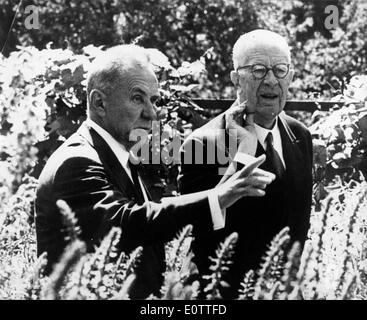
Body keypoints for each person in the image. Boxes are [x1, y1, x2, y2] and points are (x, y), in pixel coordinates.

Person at [34, 44, 275, 299]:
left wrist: (237, 166)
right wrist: (218, 197)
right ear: (99, 103)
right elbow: (128, 224)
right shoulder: (77, 161)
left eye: (155, 100)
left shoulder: (118, 152)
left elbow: (151, 228)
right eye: (138, 98)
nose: (152, 113)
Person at [178, 30, 313, 298]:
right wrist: (239, 163)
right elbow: (199, 229)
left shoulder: (300, 135)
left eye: (280, 70)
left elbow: (299, 223)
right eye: (259, 70)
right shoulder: (203, 144)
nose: (272, 80)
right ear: (236, 79)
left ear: (292, 77)